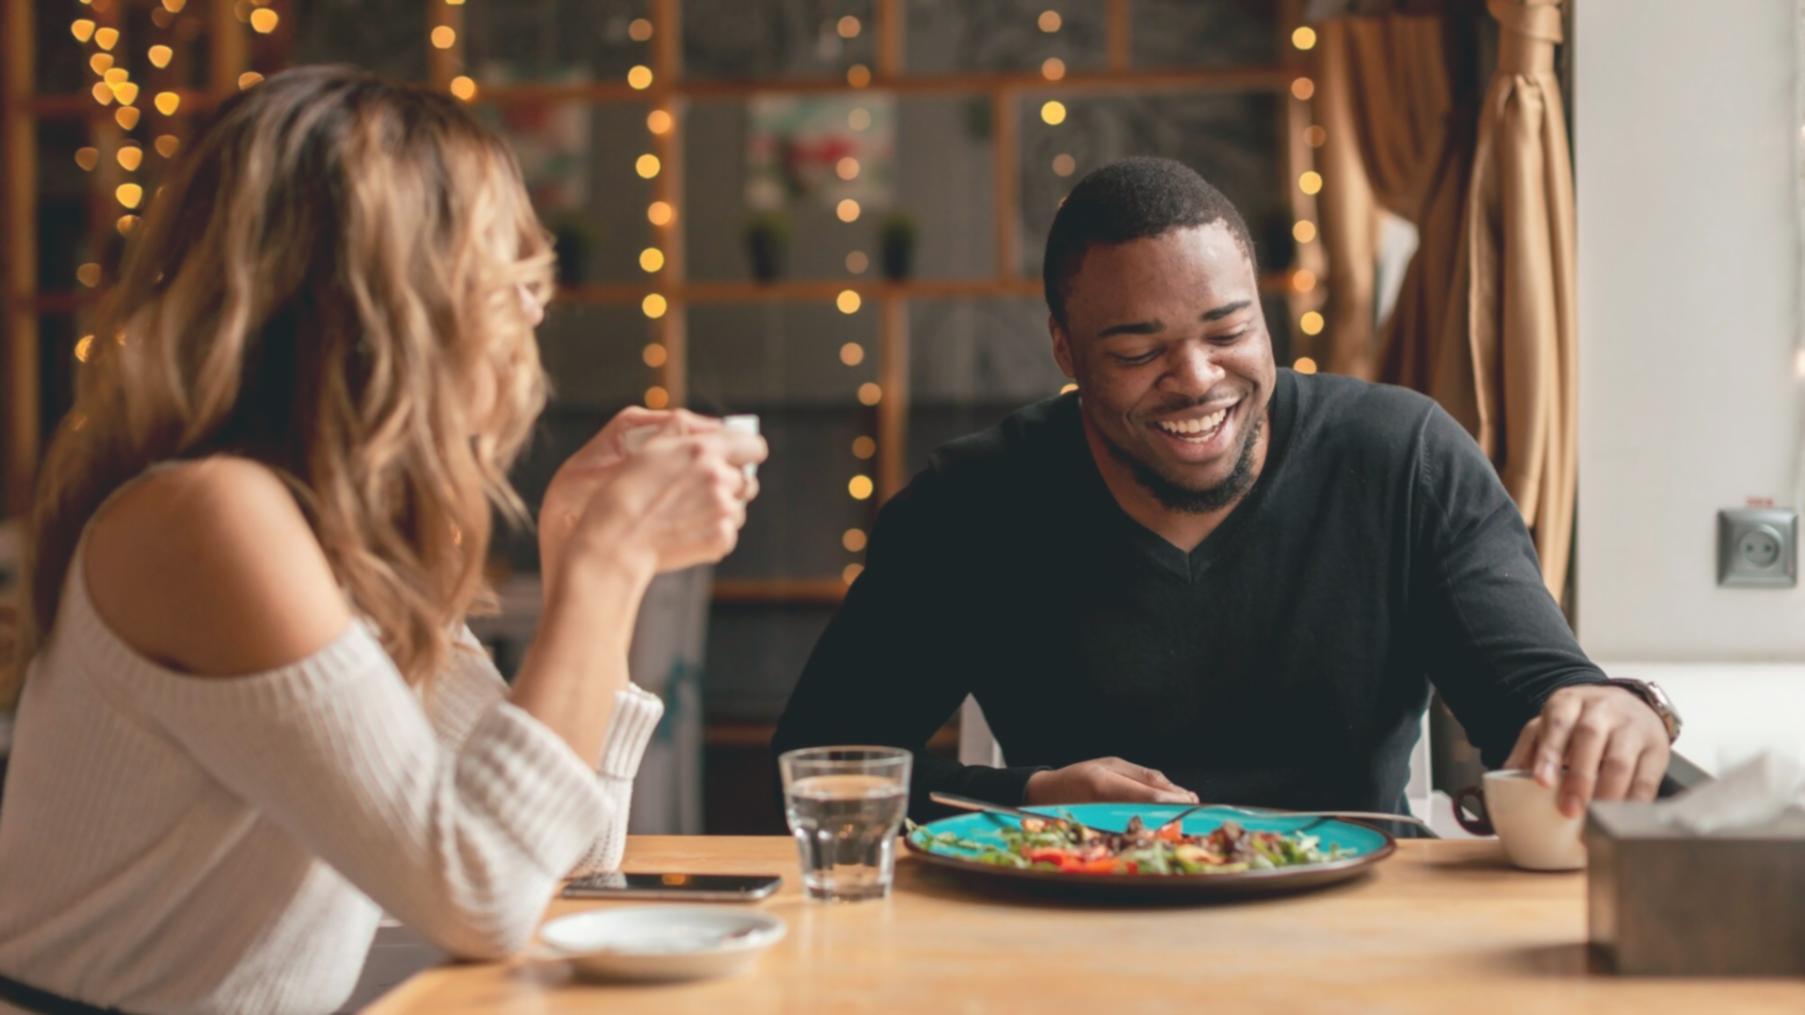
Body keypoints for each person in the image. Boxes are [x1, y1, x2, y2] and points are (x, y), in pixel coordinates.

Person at [0, 67, 764, 1014]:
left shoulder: (331, 536)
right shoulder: (210, 518)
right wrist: (610, 567)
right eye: (508, 271)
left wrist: (572, 549)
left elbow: (567, 850)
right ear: (380, 297)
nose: (534, 311)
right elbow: (480, 894)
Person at [773, 157, 1676, 824]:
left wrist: (1616, 708)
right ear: (1065, 352)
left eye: (1228, 330)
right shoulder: (970, 504)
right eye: (1136, 351)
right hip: (1070, 931)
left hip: (1354, 938)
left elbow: (1539, 698)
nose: (1197, 378)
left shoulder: (1400, 458)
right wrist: (1028, 798)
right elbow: (813, 774)